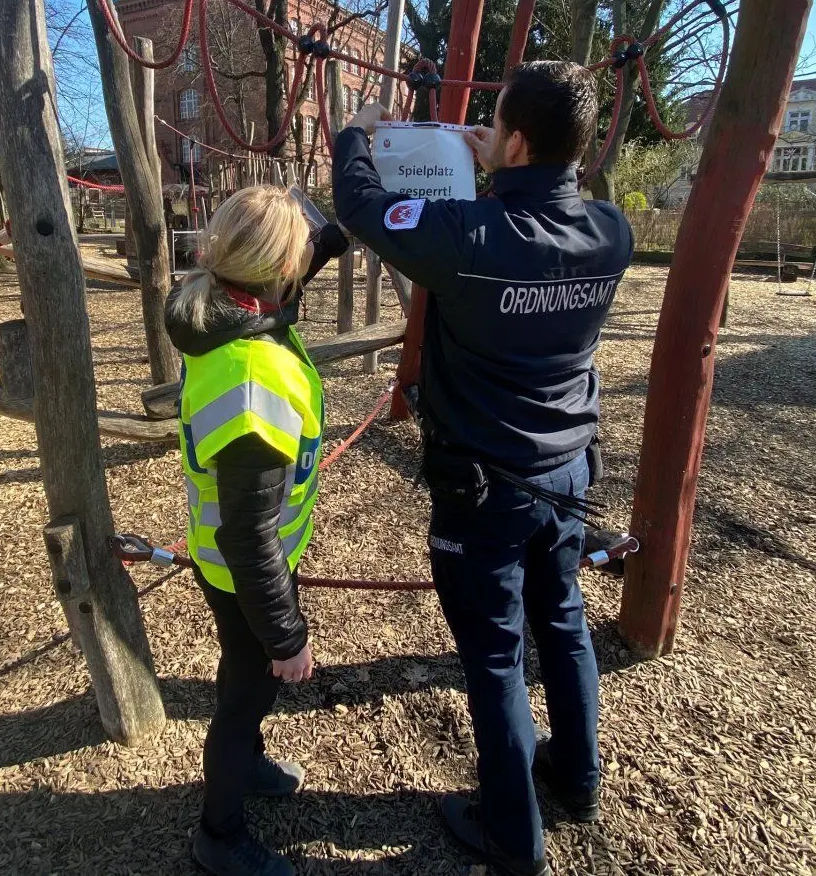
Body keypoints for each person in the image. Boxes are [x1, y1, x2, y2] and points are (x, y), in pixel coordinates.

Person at [332, 62, 634, 876]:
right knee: (563, 625)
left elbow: (361, 205)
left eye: (494, 123)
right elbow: (545, 207)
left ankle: (513, 833)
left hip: (486, 492)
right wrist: (503, 161)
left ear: (519, 139)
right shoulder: (612, 231)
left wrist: (354, 133)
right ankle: (576, 777)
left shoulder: (470, 236)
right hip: (566, 475)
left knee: (497, 659)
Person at [166, 184, 350, 876]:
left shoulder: (229, 307)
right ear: (276, 274)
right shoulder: (252, 379)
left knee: (251, 682)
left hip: (248, 557)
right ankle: (220, 831)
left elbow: (314, 254)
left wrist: (348, 197)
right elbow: (248, 535)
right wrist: (288, 634)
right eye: (300, 256)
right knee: (246, 691)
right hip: (242, 563)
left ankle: (249, 761)